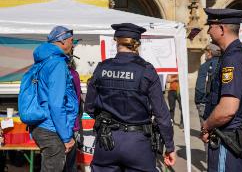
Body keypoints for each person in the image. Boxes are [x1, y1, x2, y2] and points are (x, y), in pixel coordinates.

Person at [85, 23, 176, 172]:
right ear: (137, 44)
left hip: (107, 141)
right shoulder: (146, 70)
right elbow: (161, 114)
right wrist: (170, 146)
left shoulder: (102, 68)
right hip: (138, 143)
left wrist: (106, 120)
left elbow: (89, 108)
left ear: (116, 41)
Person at [200, 8, 242, 172]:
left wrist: (206, 125)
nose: (208, 31)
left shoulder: (232, 59)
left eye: (210, 26)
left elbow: (227, 109)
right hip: (238, 140)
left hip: (228, 142)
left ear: (221, 29)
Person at [30, 26, 79, 172]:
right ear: (62, 41)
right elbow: (56, 104)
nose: (73, 44)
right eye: (72, 40)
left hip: (42, 124)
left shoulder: (43, 60)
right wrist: (66, 137)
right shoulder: (57, 63)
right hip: (52, 128)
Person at [64, 46, 82, 172]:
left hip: (49, 125)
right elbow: (77, 98)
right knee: (69, 165)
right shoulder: (73, 74)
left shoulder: (45, 71)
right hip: (69, 124)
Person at [195, 43, 221, 126]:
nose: (205, 54)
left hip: (205, 102)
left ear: (209, 52)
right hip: (220, 102)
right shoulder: (224, 64)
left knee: (206, 129)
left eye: (205, 52)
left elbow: (200, 87)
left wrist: (198, 101)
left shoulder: (205, 66)